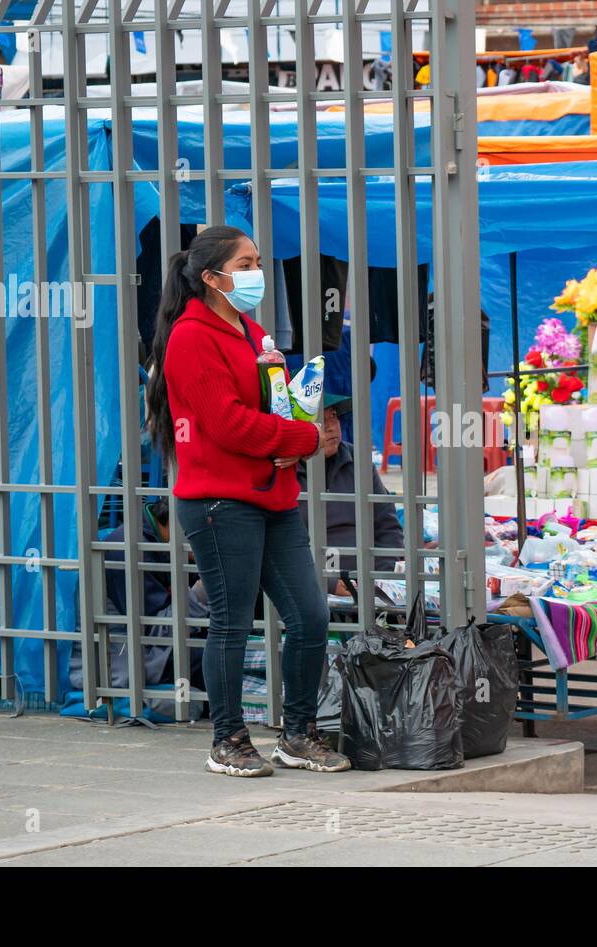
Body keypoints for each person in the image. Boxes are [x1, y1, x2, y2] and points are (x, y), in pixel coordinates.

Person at [146, 224, 350, 777]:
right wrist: (304, 441)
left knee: (309, 615)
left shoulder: (252, 332)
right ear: (211, 278)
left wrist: (300, 435)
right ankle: (228, 739)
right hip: (219, 501)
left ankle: (298, 733)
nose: (256, 272)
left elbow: (271, 411)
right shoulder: (191, 336)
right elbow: (227, 424)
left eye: (257, 260)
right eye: (244, 264)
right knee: (232, 621)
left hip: (272, 493)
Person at [68, 498, 208, 716]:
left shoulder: (157, 539)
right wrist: (203, 589)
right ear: (182, 524)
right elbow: (156, 629)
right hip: (124, 661)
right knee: (214, 655)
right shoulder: (130, 550)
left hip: (145, 650)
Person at [297, 394, 405, 595]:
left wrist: (378, 578)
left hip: (366, 577)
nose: (330, 427)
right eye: (320, 420)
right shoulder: (284, 469)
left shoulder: (358, 461)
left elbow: (388, 527)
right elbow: (278, 550)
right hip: (306, 585)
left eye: (334, 416)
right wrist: (327, 584)